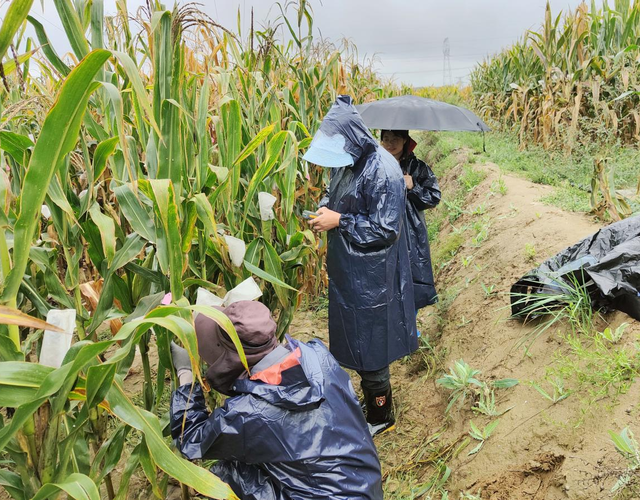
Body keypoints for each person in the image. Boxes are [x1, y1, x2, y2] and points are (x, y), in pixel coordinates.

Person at [169, 300, 383, 500]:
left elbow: (190, 437)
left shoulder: (248, 413)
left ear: (229, 360)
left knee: (227, 474)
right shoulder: (317, 355)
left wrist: (186, 374)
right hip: (364, 485)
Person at [304, 95, 416, 436]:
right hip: (348, 273)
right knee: (354, 336)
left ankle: (382, 415)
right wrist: (325, 210)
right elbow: (332, 192)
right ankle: (368, 401)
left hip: (373, 277)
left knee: (372, 345)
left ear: (353, 136)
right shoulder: (348, 160)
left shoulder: (383, 170)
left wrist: (340, 221)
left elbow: (386, 229)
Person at [380, 130, 441, 326]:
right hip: (382, 229)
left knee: (411, 277)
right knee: (385, 277)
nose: (390, 144)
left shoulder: (417, 167)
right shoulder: (375, 165)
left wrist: (413, 187)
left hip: (410, 231)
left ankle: (409, 326)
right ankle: (389, 324)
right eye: (386, 139)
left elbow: (433, 197)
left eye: (395, 139)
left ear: (405, 140)